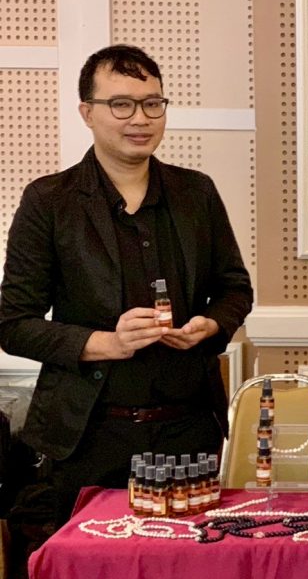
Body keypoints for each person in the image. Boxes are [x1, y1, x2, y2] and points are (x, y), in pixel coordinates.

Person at [0, 44, 253, 521]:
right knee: (89, 562)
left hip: (189, 434)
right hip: (88, 436)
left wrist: (212, 325)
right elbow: (13, 324)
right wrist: (106, 343)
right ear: (87, 113)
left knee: (184, 562)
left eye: (152, 103)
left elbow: (235, 288)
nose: (140, 118)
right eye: (121, 104)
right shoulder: (49, 201)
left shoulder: (196, 192)